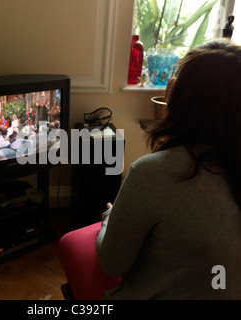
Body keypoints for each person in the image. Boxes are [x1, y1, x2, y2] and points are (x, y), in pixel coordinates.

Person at [59, 40, 241, 300]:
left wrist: (110, 217)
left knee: (71, 242)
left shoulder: (154, 172)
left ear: (178, 95)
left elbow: (112, 263)